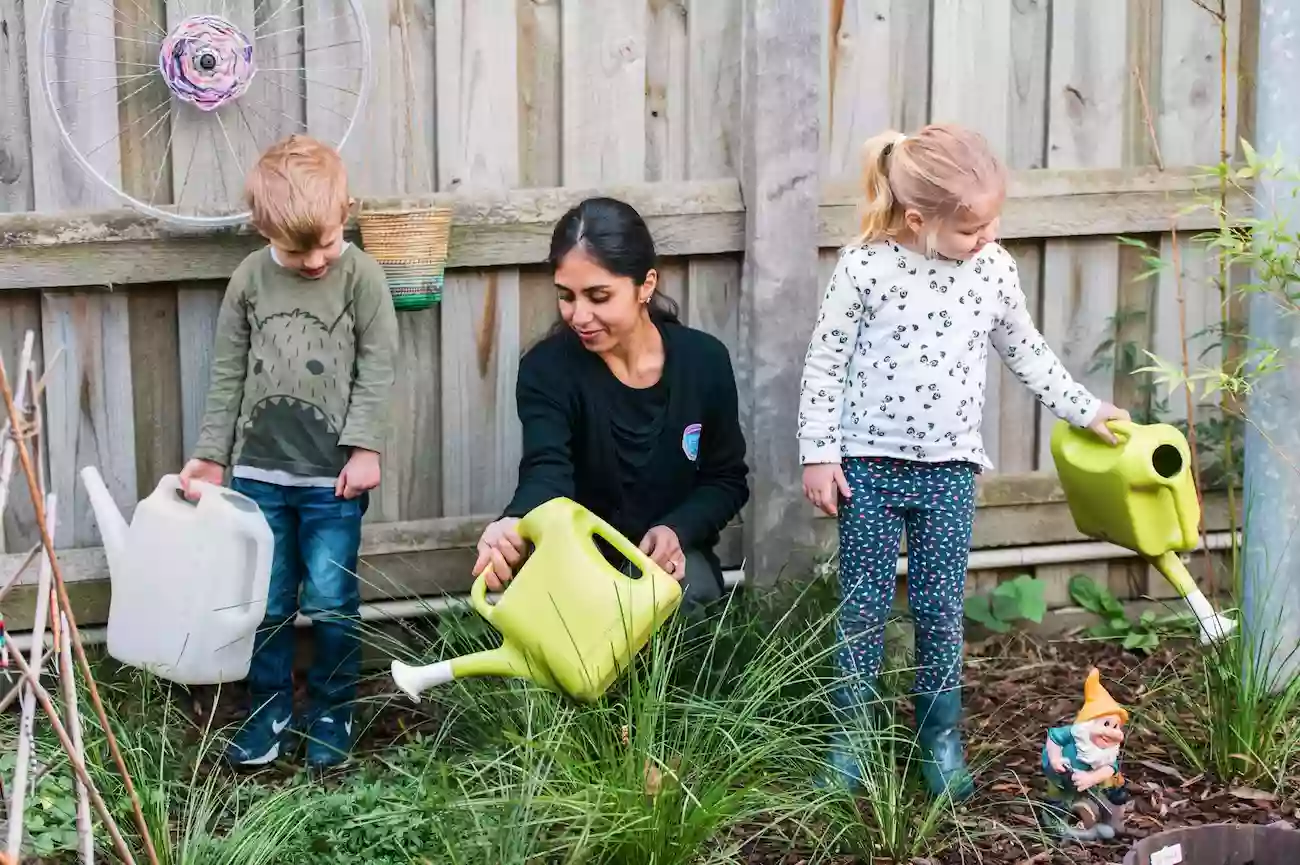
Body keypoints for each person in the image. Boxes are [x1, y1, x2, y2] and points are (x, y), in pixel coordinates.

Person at [797, 123, 1129, 799]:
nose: (987, 234)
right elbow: (824, 364)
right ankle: (852, 734)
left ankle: (939, 735)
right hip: (869, 469)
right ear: (918, 219)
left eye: (991, 220)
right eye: (971, 226)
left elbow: (1027, 351)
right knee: (862, 607)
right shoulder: (865, 267)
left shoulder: (994, 271)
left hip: (949, 471)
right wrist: (818, 454)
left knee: (940, 608)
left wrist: (1085, 408)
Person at [179, 134, 398, 771]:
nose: (313, 261)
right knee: (266, 605)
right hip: (257, 479)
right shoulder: (249, 279)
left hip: (333, 483)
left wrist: (365, 448)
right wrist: (211, 455)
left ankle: (333, 708)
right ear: (261, 227)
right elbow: (226, 373)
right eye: (296, 248)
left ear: (345, 212)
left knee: (331, 600)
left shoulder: (362, 276)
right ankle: (267, 709)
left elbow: (379, 367)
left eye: (325, 243)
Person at [473, 197, 749, 610]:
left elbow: (726, 480)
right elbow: (547, 471)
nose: (579, 315)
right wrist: (514, 520)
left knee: (690, 595)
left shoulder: (704, 361)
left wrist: (676, 530)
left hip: (670, 566)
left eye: (598, 296)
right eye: (566, 295)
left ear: (646, 285)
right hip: (577, 565)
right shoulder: (546, 370)